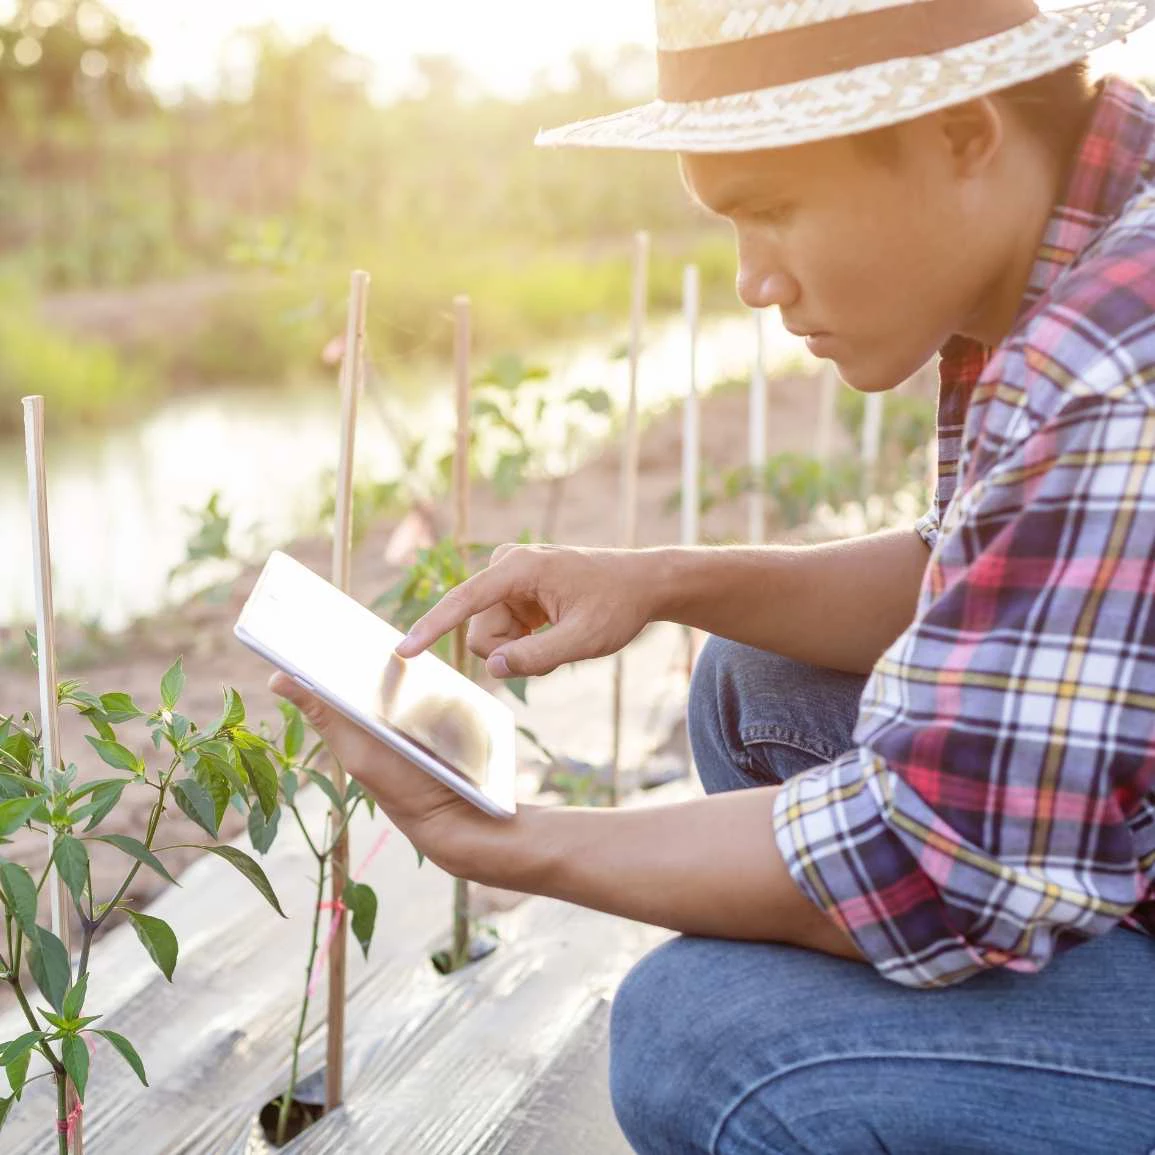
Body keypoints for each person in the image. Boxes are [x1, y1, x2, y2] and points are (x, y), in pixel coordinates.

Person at [273, 2, 1155, 1150]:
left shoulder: (1107, 363)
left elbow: (938, 860)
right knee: (753, 683)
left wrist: (512, 842)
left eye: (773, 211)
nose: (752, 282)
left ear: (961, 133)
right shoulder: (1078, 243)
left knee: (706, 1035)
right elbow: (983, 577)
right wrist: (661, 581)